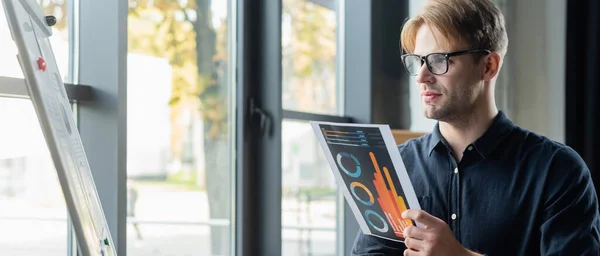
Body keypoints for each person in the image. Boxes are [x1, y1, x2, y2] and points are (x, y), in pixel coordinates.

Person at [352, 0, 600, 255]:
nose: (422, 76)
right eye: (418, 61)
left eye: (439, 60)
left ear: (488, 66)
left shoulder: (558, 170)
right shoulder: (393, 167)